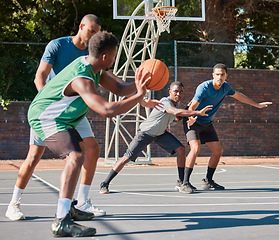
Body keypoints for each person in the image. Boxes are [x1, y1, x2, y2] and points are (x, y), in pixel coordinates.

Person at [27, 31, 161, 237]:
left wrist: (140, 83)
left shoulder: (94, 66)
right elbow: (107, 110)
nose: (116, 59)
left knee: (89, 149)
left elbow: (119, 87)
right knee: (75, 156)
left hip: (64, 117)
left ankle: (72, 206)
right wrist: (140, 96)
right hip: (46, 117)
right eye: (115, 55)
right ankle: (61, 221)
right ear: (106, 56)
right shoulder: (82, 78)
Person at [5, 14, 107, 221]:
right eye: (91, 31)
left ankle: (82, 202)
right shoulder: (58, 45)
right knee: (34, 157)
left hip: (75, 110)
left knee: (92, 149)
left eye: (96, 33)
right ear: (81, 26)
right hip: (51, 111)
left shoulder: (91, 52)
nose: (93, 36)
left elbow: (105, 78)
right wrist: (49, 105)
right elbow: (40, 76)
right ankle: (13, 204)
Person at [99, 81, 212, 194]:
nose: (178, 94)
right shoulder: (165, 101)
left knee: (181, 149)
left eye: (181, 92)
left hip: (160, 134)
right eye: (176, 91)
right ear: (170, 92)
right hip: (145, 133)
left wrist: (189, 115)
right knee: (126, 158)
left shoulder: (176, 104)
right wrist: (196, 112)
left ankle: (182, 182)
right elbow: (176, 112)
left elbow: (177, 117)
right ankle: (105, 183)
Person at [181, 63, 272, 194]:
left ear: (226, 76)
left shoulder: (226, 87)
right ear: (213, 75)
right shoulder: (204, 87)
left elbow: (239, 96)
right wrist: (192, 115)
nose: (219, 77)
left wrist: (257, 104)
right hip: (192, 121)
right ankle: (185, 183)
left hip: (206, 122)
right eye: (217, 74)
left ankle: (208, 181)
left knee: (218, 151)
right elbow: (193, 105)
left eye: (222, 75)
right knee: (195, 148)